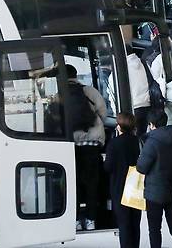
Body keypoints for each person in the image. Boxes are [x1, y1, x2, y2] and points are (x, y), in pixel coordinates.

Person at [136, 110, 172, 248]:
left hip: (154, 194)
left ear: (152, 125)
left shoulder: (152, 142)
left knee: (154, 229)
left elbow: (141, 168)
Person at [68, 64, 108, 231]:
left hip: (70, 146)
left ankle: (76, 219)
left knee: (73, 183)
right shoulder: (89, 91)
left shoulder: (58, 94)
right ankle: (91, 219)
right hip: (91, 144)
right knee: (92, 183)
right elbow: (103, 113)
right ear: (76, 75)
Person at [104, 113, 141, 248]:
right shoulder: (138, 141)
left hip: (120, 187)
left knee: (124, 224)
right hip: (136, 186)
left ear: (119, 127)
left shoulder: (114, 143)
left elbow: (108, 166)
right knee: (135, 223)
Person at [123, 44, 151, 136]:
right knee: (142, 134)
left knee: (131, 137)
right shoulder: (143, 63)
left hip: (131, 107)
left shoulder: (121, 68)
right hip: (146, 104)